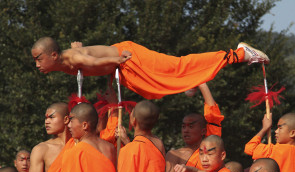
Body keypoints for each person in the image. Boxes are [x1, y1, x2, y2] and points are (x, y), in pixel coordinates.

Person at [31, 37, 269, 99]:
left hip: (130, 58)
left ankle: (239, 54)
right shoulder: (66, 58)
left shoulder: (72, 59)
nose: (37, 64)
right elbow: (84, 54)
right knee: (154, 92)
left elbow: (90, 62)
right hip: (125, 70)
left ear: (53, 54)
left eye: (39, 58)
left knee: (178, 65)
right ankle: (192, 82)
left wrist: (116, 60)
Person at [165, 83, 224, 172]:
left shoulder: (210, 150)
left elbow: (213, 116)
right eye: (183, 126)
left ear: (204, 130)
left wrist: (202, 84)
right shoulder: (174, 154)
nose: (186, 130)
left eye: (191, 126)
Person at [114, 100, 174, 172]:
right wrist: (127, 141)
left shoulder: (129, 150)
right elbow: (146, 160)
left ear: (133, 120)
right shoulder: (159, 143)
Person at [60, 103, 117, 172]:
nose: (69, 126)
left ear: (85, 125)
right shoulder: (110, 148)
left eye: (72, 121)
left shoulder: (75, 152)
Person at [28, 102, 75, 172]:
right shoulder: (42, 148)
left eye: (51, 117)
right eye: (45, 118)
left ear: (66, 119)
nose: (46, 122)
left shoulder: (78, 145)